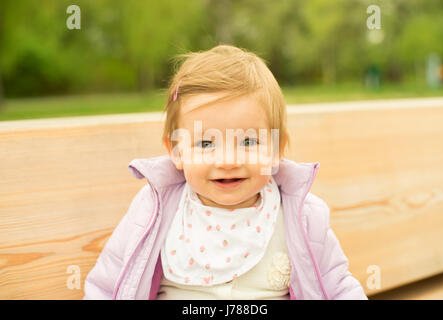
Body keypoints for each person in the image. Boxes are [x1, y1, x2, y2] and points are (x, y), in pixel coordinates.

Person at [83, 44, 367, 300]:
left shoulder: (300, 214)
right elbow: (108, 287)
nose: (229, 161)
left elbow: (338, 286)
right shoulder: (155, 210)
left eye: (248, 141)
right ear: (177, 150)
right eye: (206, 143)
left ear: (276, 150)